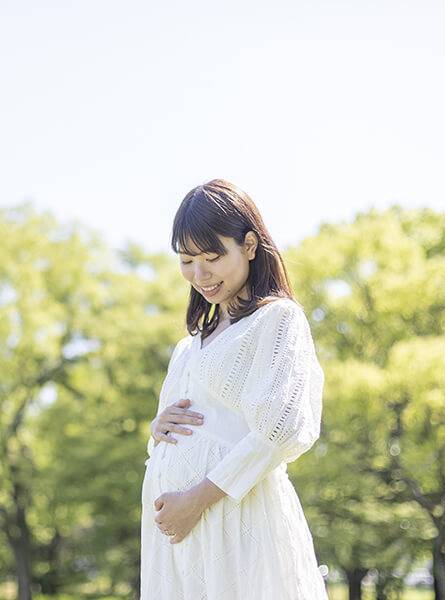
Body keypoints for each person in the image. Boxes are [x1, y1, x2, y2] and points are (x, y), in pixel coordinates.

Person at [140, 179, 328, 599]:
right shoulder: (186, 348)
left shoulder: (276, 320)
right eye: (187, 260)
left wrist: (196, 499)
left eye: (212, 256)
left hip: (234, 516)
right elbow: (185, 434)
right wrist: (157, 434)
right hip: (181, 539)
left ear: (248, 245)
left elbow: (280, 431)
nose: (199, 274)